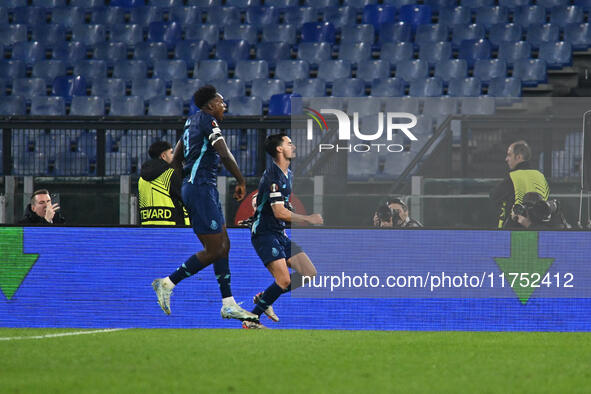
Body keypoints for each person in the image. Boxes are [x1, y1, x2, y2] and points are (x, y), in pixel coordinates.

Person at [151, 85, 258, 323]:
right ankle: (167, 282)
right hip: (200, 189)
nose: (224, 105)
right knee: (215, 249)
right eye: (221, 102)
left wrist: (183, 189)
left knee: (224, 244)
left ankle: (228, 304)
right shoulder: (208, 122)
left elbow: (176, 160)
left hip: (201, 188)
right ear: (210, 105)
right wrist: (241, 180)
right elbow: (224, 153)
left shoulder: (191, 123)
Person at [244, 133, 323, 329]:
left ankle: (266, 297)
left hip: (279, 234)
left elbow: (278, 204)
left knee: (309, 273)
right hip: (265, 233)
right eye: (289, 143)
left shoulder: (289, 174)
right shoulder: (273, 176)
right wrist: (308, 219)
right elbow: (279, 212)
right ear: (279, 149)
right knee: (283, 279)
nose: (293, 146)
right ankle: (251, 319)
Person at [490, 140, 550, 229]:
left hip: (514, 231)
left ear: (518, 157)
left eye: (509, 155)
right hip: (538, 231)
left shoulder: (513, 177)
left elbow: (494, 195)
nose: (506, 159)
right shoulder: (540, 176)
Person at [138, 140, 189, 226]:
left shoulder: (141, 178)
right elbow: (184, 199)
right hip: (171, 227)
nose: (173, 156)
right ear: (163, 156)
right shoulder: (169, 174)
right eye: (171, 153)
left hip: (147, 225)